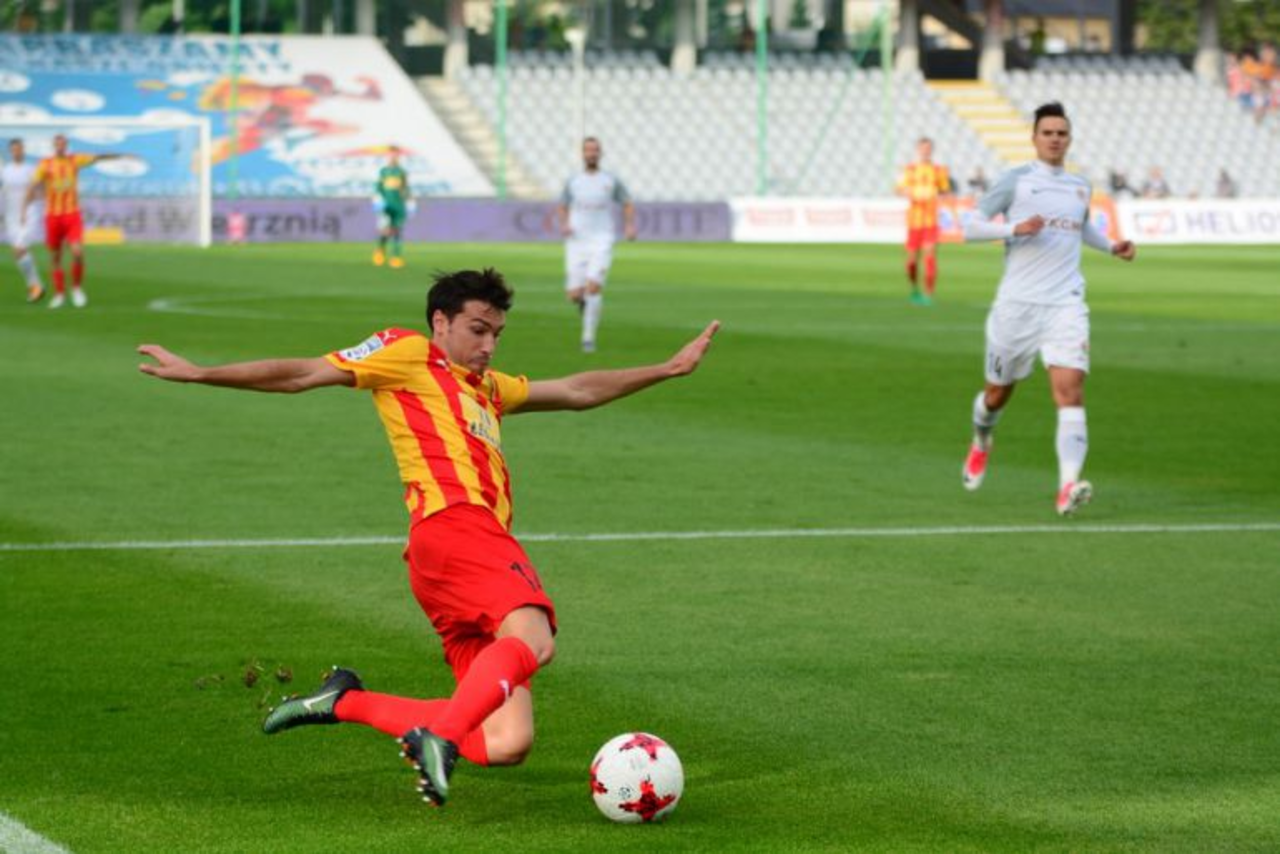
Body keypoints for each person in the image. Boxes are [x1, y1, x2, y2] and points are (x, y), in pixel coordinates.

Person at [137, 268, 719, 807]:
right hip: (458, 526)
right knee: (535, 640)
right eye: (477, 329)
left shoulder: (487, 388)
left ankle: (344, 701)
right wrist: (202, 373)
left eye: (496, 333)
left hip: (444, 561)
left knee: (506, 741)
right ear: (440, 322)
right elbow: (303, 374)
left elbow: (576, 390)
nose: (489, 345)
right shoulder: (409, 352)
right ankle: (439, 737)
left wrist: (666, 369)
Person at [959, 102, 1136, 516]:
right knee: (996, 394)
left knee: (1070, 391)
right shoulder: (1016, 180)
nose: (1055, 139)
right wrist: (1013, 228)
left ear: (1069, 138)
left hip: (1065, 304)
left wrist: (1112, 246)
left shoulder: (1080, 185)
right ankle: (982, 438)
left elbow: (1081, 227)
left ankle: (1067, 485)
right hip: (1017, 306)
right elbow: (968, 226)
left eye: (1061, 133)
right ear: (1034, 138)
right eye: (1048, 133)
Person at [21, 134, 122, 309]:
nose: (60, 146)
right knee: (56, 257)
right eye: (57, 144)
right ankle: (59, 294)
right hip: (52, 216)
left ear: (66, 145)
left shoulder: (74, 160)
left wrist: (117, 156)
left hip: (72, 214)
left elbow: (96, 158)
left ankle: (76, 289)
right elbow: (33, 185)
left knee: (77, 252)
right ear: (54, 146)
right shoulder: (45, 164)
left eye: (63, 143)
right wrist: (24, 208)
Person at [558, 137, 636, 353]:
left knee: (593, 286)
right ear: (582, 154)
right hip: (576, 241)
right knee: (574, 294)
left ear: (600, 153)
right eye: (588, 150)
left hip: (602, 238)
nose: (591, 154)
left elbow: (627, 202)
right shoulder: (573, 180)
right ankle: (585, 304)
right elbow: (562, 205)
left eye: (595, 150)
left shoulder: (610, 180)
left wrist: (629, 226)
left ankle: (588, 338)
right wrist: (564, 224)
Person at [895, 137, 952, 306]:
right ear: (918, 150)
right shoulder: (910, 169)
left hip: (931, 220)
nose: (925, 151)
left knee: (929, 254)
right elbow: (898, 189)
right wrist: (906, 193)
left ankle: (928, 294)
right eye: (923, 148)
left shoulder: (938, 170)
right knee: (912, 261)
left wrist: (944, 199)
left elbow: (945, 191)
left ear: (931, 150)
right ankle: (914, 289)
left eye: (928, 148)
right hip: (914, 221)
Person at [1, 138, 46, 303]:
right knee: (19, 252)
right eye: (14, 149)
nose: (17, 152)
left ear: (23, 150)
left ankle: (36, 286)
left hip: (29, 213)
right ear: (10, 151)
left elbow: (41, 189)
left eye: (19, 149)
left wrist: (36, 198)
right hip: (11, 216)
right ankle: (36, 286)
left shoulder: (31, 169)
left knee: (20, 249)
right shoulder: (5, 171)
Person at [372, 146, 413, 269]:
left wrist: (410, 201)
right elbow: (378, 188)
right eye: (391, 155)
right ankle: (380, 250)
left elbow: (405, 188)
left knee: (397, 230)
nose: (393, 157)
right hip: (386, 205)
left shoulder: (402, 172)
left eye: (395, 155)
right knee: (386, 229)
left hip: (399, 205)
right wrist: (378, 201)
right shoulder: (383, 171)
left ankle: (396, 257)